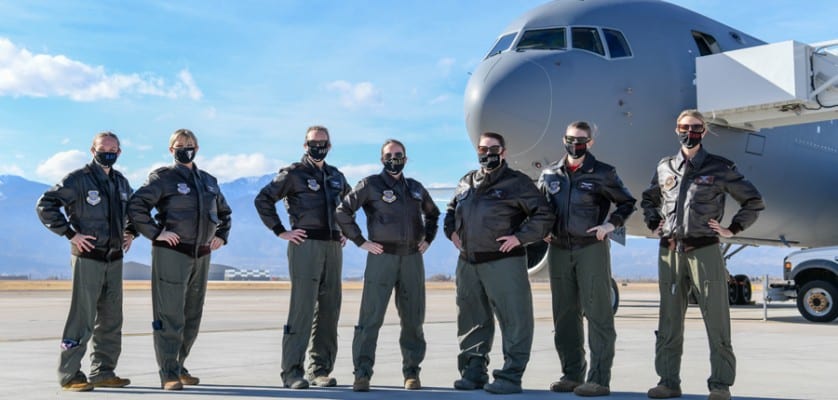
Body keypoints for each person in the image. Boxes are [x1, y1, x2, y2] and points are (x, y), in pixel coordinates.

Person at [641, 110, 764, 400]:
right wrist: (652, 221)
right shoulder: (665, 167)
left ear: (704, 131)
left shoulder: (720, 168)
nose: (690, 132)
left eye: (696, 128)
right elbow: (649, 198)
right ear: (676, 130)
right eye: (685, 127)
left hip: (705, 251)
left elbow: (753, 201)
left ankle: (720, 384)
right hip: (670, 251)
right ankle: (668, 381)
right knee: (669, 320)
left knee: (717, 319)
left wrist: (732, 229)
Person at [444, 132, 554, 394]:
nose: (488, 153)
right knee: (471, 318)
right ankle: (473, 370)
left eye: (494, 149)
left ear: (503, 152)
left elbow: (544, 214)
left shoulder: (517, 183)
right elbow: (450, 210)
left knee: (514, 319)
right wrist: (452, 232)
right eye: (483, 149)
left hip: (503, 262)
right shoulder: (466, 181)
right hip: (468, 262)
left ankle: (511, 375)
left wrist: (520, 238)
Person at [127, 129, 232, 391]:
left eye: (190, 144)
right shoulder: (164, 178)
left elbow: (224, 212)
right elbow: (136, 206)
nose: (185, 148)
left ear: (197, 147)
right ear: (171, 149)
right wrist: (156, 232)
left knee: (192, 316)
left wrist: (221, 235)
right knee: (170, 315)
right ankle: (168, 373)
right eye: (180, 144)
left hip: (201, 254)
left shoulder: (208, 180)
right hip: (172, 253)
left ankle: (180, 364)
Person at [537, 121, 636, 397]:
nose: (575, 144)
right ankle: (571, 374)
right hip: (558, 248)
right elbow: (540, 208)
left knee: (598, 313)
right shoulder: (549, 174)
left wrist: (610, 225)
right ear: (563, 139)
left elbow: (627, 202)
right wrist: (541, 229)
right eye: (570, 139)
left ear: (590, 143)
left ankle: (599, 378)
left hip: (591, 247)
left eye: (581, 140)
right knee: (565, 315)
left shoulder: (603, 173)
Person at [335, 139, 440, 392]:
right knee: (370, 318)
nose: (394, 158)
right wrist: (360, 241)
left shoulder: (415, 188)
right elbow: (342, 211)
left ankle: (412, 373)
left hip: (412, 258)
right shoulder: (371, 185)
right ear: (382, 159)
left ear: (406, 157)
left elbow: (434, 214)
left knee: (413, 319)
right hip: (381, 257)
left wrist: (428, 238)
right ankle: (362, 373)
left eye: (399, 154)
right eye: (389, 155)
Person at [36, 132, 135, 392]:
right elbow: (46, 204)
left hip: (114, 258)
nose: (108, 152)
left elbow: (136, 210)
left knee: (111, 318)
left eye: (113, 148)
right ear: (92, 150)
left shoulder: (121, 183)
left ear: (120, 152)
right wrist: (71, 234)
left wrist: (131, 231)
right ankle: (69, 374)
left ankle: (103, 371)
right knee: (82, 317)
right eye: (103, 148)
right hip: (88, 257)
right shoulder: (78, 180)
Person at [254, 125, 350, 389]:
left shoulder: (336, 176)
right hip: (305, 244)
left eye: (322, 142)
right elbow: (263, 199)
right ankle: (292, 371)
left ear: (329, 146)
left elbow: (350, 205)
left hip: (332, 246)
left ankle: (319, 370)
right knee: (302, 309)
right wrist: (280, 231)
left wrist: (346, 232)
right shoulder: (293, 174)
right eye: (312, 142)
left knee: (330, 310)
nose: (317, 146)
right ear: (304, 145)